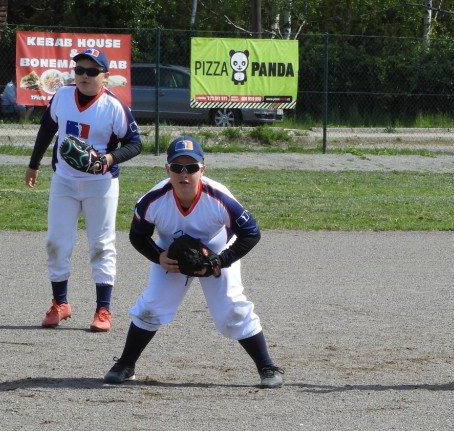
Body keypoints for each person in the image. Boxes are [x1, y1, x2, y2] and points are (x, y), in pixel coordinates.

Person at [103, 136, 284, 389]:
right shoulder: (152, 200)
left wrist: (219, 262)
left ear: (203, 169)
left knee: (231, 307)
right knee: (152, 305)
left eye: (191, 167)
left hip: (218, 250)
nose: (184, 173)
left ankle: (267, 366)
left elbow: (251, 233)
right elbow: (138, 236)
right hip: (172, 256)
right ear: (167, 169)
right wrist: (158, 257)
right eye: (177, 167)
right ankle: (125, 364)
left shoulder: (219, 198)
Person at [25, 48, 142, 332]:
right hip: (63, 180)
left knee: (102, 244)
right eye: (79, 70)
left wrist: (111, 158)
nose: (84, 76)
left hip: (99, 185)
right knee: (56, 242)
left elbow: (135, 143)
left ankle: (103, 309)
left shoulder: (114, 106)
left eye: (92, 71)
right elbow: (46, 129)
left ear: (104, 75)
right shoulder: (62, 97)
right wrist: (34, 164)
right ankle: (60, 303)